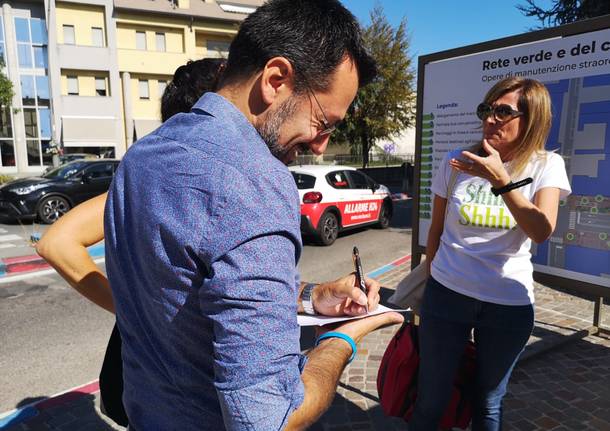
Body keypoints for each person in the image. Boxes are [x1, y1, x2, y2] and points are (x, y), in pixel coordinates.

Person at [104, 0, 403, 430]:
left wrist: (308, 297)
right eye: (323, 122)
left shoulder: (141, 156)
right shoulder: (255, 180)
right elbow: (271, 420)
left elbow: (191, 287)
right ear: (276, 80)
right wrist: (341, 340)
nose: (320, 145)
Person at [35, 57, 227, 427]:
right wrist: (131, 309)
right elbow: (57, 242)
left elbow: (57, 241)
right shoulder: (163, 181)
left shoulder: (154, 181)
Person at [409, 77, 571, 431]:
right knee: (430, 400)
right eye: (487, 109)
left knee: (488, 403)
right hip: (447, 295)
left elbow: (541, 230)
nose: (491, 119)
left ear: (532, 119)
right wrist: (430, 284)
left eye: (503, 111)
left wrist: (501, 181)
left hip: (507, 305)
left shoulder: (546, 165)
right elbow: (435, 230)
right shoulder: (456, 161)